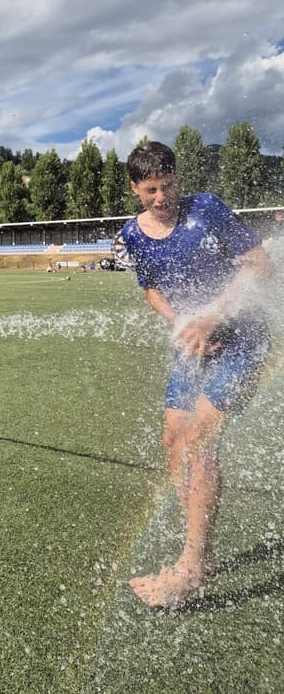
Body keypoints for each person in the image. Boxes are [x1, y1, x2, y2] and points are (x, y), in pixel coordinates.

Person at [116, 141, 272, 607]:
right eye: (151, 190)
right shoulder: (134, 235)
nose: (162, 198)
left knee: (200, 439)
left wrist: (211, 317)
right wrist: (182, 324)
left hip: (242, 340)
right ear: (135, 189)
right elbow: (151, 290)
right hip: (193, 345)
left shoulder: (207, 209)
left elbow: (260, 266)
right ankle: (195, 543)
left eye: (168, 186)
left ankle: (190, 570)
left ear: (177, 179)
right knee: (172, 437)